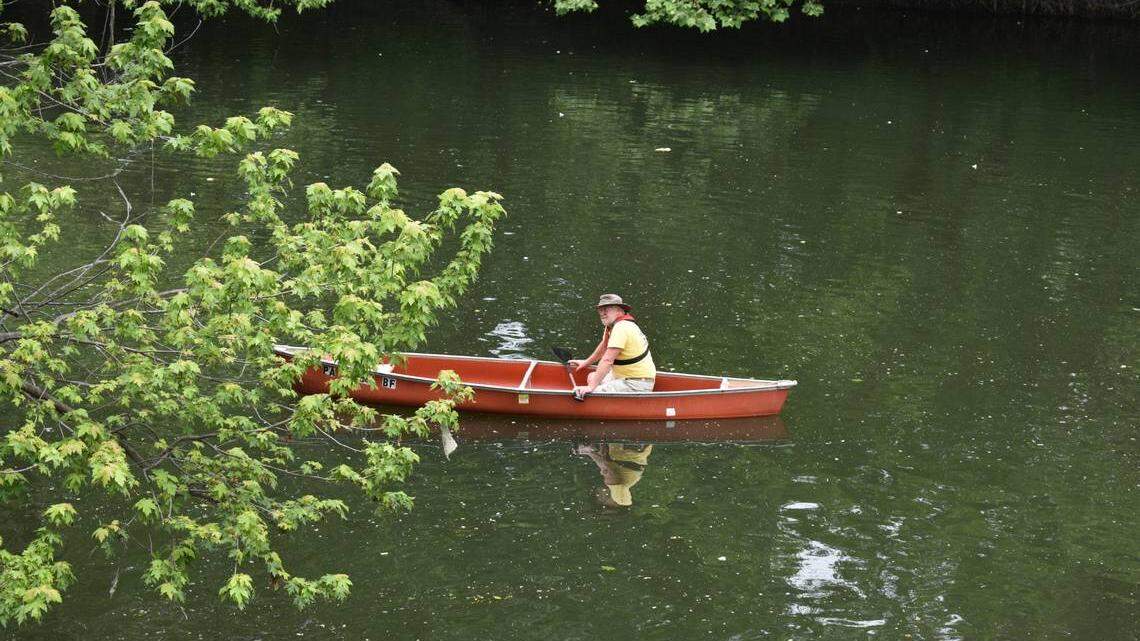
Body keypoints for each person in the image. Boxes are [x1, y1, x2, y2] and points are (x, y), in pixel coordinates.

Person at [571, 293, 655, 398]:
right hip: (622, 377)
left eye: (608, 308)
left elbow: (607, 360)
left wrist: (590, 388)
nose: (603, 313)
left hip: (636, 383)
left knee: (591, 394)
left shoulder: (622, 327)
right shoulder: (612, 326)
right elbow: (604, 347)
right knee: (592, 377)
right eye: (600, 309)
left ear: (620, 310)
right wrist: (586, 363)